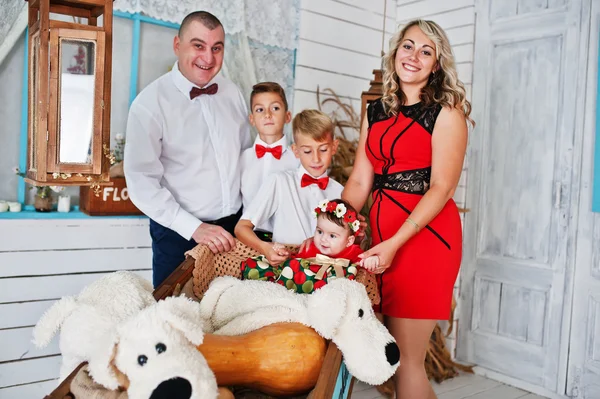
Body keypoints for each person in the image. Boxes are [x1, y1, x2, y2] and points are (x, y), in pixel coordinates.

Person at [341, 20, 472, 399]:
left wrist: (396, 242)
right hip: (381, 241)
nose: (414, 56)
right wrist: (328, 227)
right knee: (397, 363)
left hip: (425, 241)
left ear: (437, 65)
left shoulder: (447, 113)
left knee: (407, 363)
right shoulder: (377, 111)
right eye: (408, 46)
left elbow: (442, 188)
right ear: (395, 51)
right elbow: (360, 182)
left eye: (426, 51)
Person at [124, 11, 251, 288]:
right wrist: (193, 227)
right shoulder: (149, 104)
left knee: (231, 319)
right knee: (175, 320)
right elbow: (140, 182)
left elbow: (246, 157)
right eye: (198, 46)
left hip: (235, 232)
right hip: (178, 234)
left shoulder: (233, 94)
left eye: (216, 48)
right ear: (177, 45)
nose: (208, 58)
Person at [234, 109, 343, 265]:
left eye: (323, 149)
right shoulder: (279, 182)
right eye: (307, 151)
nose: (316, 158)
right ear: (296, 151)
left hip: (324, 272)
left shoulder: (340, 192)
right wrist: (265, 248)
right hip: (285, 269)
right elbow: (241, 228)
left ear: (334, 147)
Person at [242, 198, 379, 293]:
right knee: (271, 265)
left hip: (328, 293)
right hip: (297, 287)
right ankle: (268, 289)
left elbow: (365, 262)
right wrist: (284, 254)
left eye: (332, 236)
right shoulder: (311, 246)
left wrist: (371, 261)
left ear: (348, 241)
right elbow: (294, 262)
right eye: (319, 231)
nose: (323, 239)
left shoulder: (352, 251)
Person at [239, 82, 299, 240]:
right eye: (260, 109)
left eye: (275, 108)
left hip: (288, 240)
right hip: (249, 240)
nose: (267, 115)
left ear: (287, 116)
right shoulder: (242, 159)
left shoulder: (298, 158)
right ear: (252, 119)